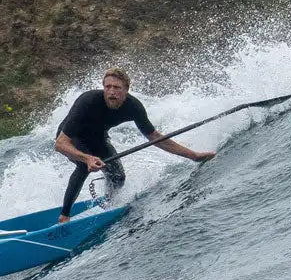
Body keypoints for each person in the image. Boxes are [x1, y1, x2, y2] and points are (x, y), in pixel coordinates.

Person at [54, 68, 215, 223]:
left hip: (98, 139)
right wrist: (87, 158)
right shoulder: (88, 101)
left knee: (118, 177)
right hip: (71, 138)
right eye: (107, 87)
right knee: (83, 166)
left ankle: (108, 205)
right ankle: (64, 217)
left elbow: (155, 138)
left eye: (116, 87)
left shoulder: (133, 107)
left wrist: (193, 156)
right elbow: (60, 144)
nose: (111, 92)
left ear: (126, 90)